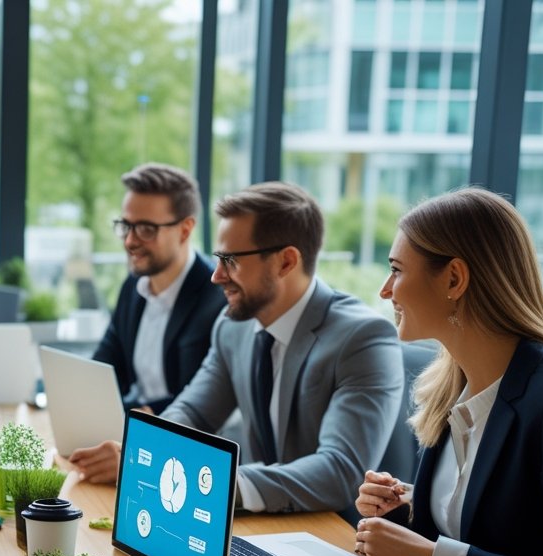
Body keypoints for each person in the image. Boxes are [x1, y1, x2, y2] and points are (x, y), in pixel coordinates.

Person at [71, 181, 403, 513]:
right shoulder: (233, 327)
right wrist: (142, 454)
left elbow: (339, 471)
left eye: (230, 260)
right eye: (218, 259)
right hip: (262, 525)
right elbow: (192, 413)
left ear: (286, 262)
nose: (216, 276)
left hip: (334, 534)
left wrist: (220, 485)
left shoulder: (363, 338)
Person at [355, 188, 543, 556]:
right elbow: (492, 526)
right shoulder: (450, 386)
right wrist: (402, 509)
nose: (385, 290)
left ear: (454, 280)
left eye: (396, 270)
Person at [91, 163, 226, 413]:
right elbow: (106, 366)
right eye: (126, 226)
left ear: (185, 230)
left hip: (179, 440)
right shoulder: (133, 286)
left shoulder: (217, 298)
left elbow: (200, 399)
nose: (130, 241)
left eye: (146, 229)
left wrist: (134, 417)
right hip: (130, 424)